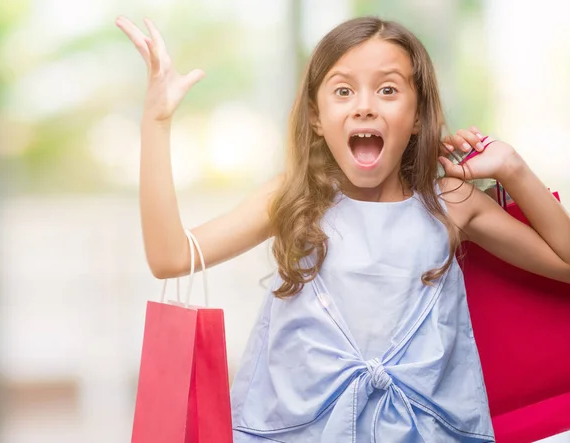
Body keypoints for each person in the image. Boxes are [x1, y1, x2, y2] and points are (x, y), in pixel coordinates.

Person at [116, 15, 570, 442]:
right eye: (343, 91)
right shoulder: (293, 198)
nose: (365, 107)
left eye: (388, 90)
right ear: (316, 116)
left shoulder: (449, 202)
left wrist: (513, 168)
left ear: (417, 117)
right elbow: (172, 257)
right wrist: (156, 123)